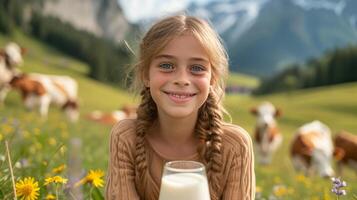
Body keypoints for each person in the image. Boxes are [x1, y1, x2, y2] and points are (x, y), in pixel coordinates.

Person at [106, 14, 255, 200]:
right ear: (146, 75)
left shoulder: (234, 146)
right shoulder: (126, 138)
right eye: (167, 65)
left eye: (197, 68)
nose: (182, 80)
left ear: (212, 79)